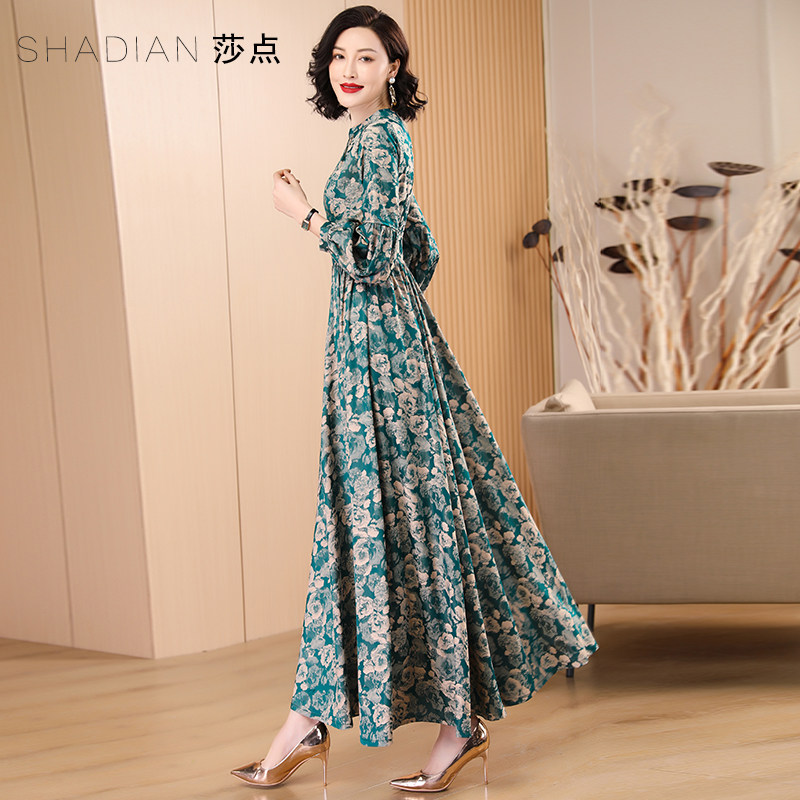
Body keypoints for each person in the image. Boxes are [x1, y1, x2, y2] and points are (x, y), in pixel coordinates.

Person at [231, 5, 597, 793]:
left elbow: (372, 258)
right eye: (339, 55)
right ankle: (314, 718)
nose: (349, 68)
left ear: (393, 68)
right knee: (376, 522)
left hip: (382, 358)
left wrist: (306, 214)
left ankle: (424, 724)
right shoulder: (368, 139)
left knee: (401, 521)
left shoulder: (385, 138)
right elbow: (419, 252)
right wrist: (351, 234)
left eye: (367, 56)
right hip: (372, 349)